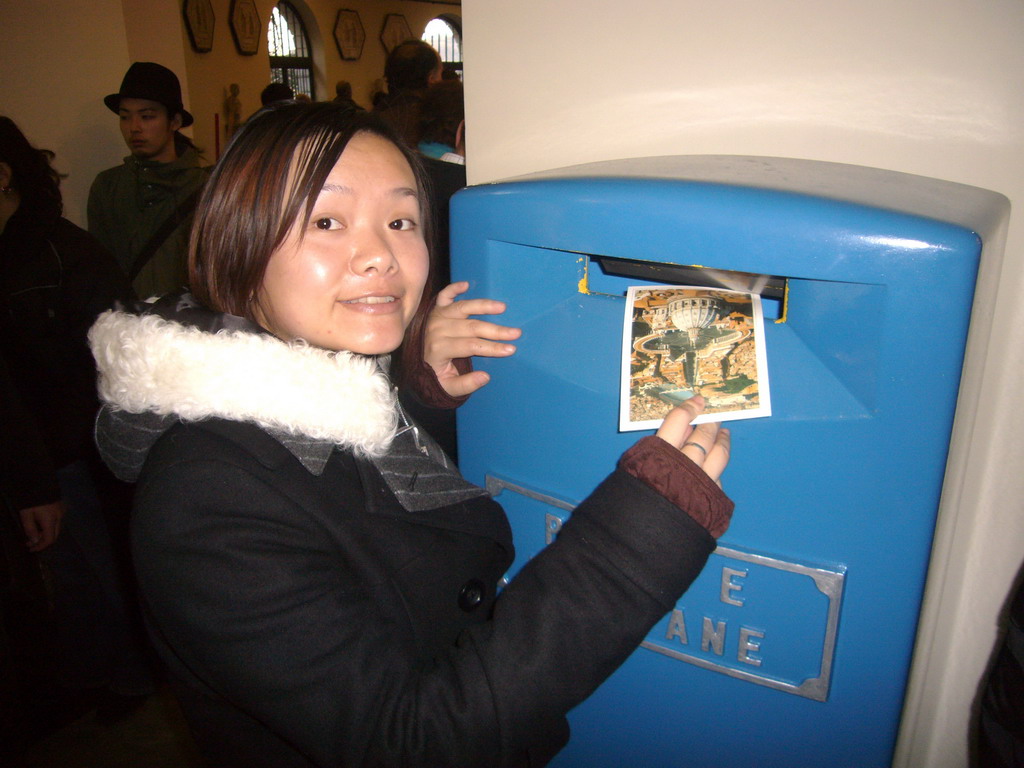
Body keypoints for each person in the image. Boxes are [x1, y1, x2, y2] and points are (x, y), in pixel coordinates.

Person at [88, 102, 733, 768]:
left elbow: (370, 498)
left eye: (401, 221)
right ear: (238, 239)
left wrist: (417, 383)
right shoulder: (205, 499)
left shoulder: (330, 380)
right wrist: (635, 544)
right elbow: (411, 742)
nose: (381, 256)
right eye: (328, 222)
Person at [0, 116, 152, 737]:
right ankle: (88, 673)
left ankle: (134, 676)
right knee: (69, 578)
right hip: (34, 453)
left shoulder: (65, 253)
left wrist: (55, 471)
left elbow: (115, 360)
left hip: (76, 449)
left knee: (104, 569)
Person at [88, 62, 210, 299]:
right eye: (125, 117)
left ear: (174, 122)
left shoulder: (205, 188)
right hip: (127, 323)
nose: (134, 128)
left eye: (147, 116)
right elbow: (99, 268)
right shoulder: (108, 186)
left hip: (188, 324)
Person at [373, 39, 443, 147]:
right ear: (431, 79)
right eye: (440, 74)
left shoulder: (374, 119)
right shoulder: (435, 124)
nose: (441, 80)